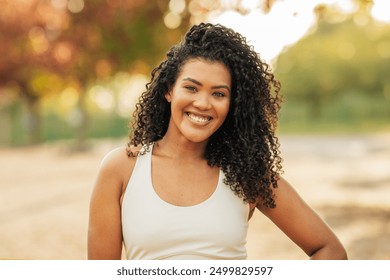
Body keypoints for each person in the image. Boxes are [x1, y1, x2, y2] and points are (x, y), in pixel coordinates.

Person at [88, 23, 347, 260]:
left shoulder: (248, 175)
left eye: (219, 93)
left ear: (232, 104)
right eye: (191, 88)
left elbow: (329, 249)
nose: (202, 103)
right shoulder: (121, 169)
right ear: (169, 90)